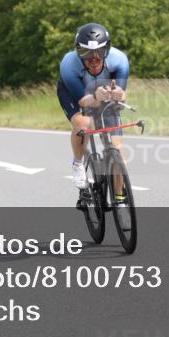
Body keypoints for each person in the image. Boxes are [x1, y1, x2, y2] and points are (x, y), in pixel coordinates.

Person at [57, 23, 131, 212]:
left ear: (108, 49)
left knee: (117, 147)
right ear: (77, 51)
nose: (94, 59)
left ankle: (120, 198)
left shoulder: (119, 59)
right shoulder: (68, 64)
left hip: (102, 92)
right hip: (76, 93)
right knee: (84, 122)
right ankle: (78, 163)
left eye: (99, 52)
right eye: (86, 53)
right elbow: (83, 101)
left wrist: (118, 94)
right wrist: (96, 96)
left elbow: (122, 92)